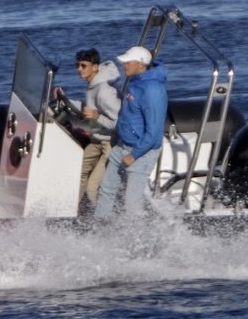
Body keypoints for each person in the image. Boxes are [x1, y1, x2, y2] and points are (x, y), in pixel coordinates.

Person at [92, 45, 170, 219]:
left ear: (141, 65)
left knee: (131, 203)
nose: (124, 65)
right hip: (122, 146)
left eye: (127, 62)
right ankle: (100, 228)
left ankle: (139, 241)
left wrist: (134, 155)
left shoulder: (152, 90)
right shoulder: (136, 83)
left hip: (141, 152)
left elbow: (154, 132)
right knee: (106, 189)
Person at [56, 48, 121, 209]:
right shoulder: (93, 85)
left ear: (95, 67)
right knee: (78, 172)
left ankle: (108, 222)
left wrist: (97, 116)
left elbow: (118, 123)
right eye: (78, 65)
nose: (79, 69)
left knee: (93, 187)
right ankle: (71, 210)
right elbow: (88, 108)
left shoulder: (104, 92)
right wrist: (63, 100)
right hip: (96, 140)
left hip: (109, 144)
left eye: (83, 66)